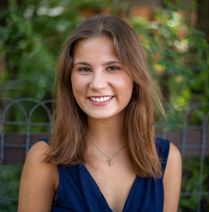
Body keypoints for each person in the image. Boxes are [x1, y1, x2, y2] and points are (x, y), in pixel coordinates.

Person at [18, 15, 182, 211]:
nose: (97, 84)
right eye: (84, 69)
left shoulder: (167, 159)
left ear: (135, 76)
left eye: (112, 68)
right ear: (69, 78)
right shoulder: (44, 160)